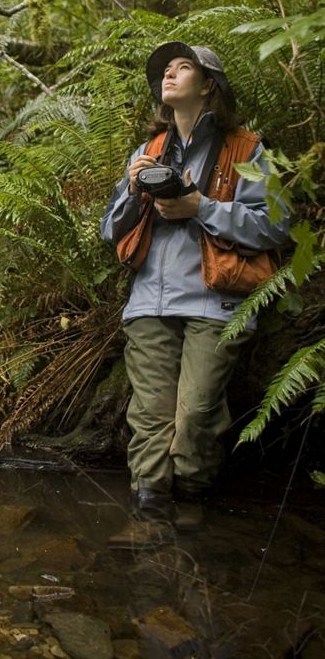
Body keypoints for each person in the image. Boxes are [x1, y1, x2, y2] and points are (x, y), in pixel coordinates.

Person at [100, 42, 289, 512]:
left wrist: (198, 207)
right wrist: (132, 187)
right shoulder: (148, 150)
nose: (169, 73)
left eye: (183, 67)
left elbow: (274, 224)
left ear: (208, 86)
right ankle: (147, 519)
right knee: (148, 421)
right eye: (165, 69)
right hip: (150, 303)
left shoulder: (246, 148)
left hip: (216, 300)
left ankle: (189, 513)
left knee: (197, 417)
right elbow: (109, 230)